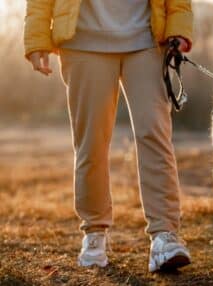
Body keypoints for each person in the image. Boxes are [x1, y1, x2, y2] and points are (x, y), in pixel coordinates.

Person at [23, 0, 193, 272]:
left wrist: (179, 29)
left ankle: (164, 236)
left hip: (148, 39)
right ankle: (94, 234)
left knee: (155, 136)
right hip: (82, 42)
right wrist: (36, 38)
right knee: (90, 143)